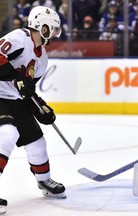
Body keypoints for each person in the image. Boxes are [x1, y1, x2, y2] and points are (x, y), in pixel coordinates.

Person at [0, 6, 65, 214]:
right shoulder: (19, 37)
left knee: (37, 141)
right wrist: (14, 76)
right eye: (52, 29)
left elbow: (27, 90)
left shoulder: (42, 58)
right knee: (7, 134)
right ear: (41, 26)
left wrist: (40, 108)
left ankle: (44, 182)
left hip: (16, 102)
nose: (54, 34)